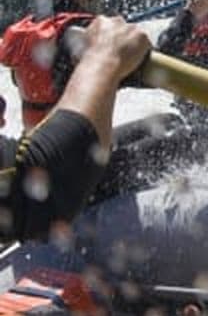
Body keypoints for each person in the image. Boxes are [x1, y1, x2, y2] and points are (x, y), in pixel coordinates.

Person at [0, 16, 151, 243]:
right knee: (188, 141)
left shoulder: (41, 33)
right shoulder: (60, 34)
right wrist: (105, 56)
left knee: (167, 125)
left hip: (51, 154)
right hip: (62, 187)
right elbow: (37, 193)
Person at [0, 0, 103, 132]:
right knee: (169, 122)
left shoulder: (27, 28)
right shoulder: (85, 31)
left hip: (33, 146)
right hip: (75, 153)